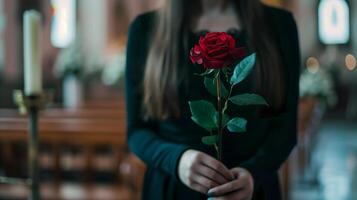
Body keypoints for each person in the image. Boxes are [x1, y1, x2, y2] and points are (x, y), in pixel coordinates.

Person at [125, 0, 300, 199]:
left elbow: (285, 130)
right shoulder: (145, 29)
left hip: (252, 190)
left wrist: (254, 172)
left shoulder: (280, 25)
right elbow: (136, 131)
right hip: (172, 188)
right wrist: (177, 160)